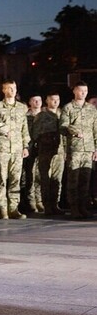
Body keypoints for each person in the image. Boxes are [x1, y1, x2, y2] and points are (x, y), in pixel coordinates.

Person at [0, 79, 30, 219]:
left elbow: (24, 128)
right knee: (1, 179)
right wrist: (2, 129)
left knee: (15, 179)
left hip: (17, 149)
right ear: (3, 90)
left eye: (14, 88)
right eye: (9, 88)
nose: (12, 91)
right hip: (3, 148)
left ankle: (13, 208)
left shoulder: (22, 108)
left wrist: (25, 146)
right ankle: (2, 208)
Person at [59, 81, 97, 219]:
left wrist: (96, 148)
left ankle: (83, 206)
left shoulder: (91, 109)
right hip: (74, 149)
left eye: (85, 91)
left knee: (85, 180)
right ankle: (74, 207)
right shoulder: (68, 108)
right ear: (74, 91)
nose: (83, 93)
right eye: (80, 91)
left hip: (88, 149)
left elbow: (95, 129)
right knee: (73, 179)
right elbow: (63, 126)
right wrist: (74, 131)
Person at [32, 91, 65, 215]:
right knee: (45, 179)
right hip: (45, 151)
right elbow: (35, 134)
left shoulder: (62, 114)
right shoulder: (41, 116)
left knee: (57, 179)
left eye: (57, 99)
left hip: (60, 151)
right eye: (52, 99)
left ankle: (55, 204)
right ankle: (47, 205)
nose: (55, 102)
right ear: (47, 100)